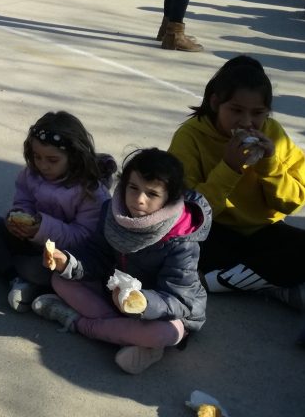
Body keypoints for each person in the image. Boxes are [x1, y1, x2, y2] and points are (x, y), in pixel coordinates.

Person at [168, 56, 305, 309]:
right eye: (236, 110)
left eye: (257, 113)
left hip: (262, 231)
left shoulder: (273, 134)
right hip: (213, 230)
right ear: (216, 103)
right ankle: (268, 279)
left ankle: (223, 281)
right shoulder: (190, 136)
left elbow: (293, 202)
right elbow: (186, 213)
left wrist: (270, 165)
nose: (246, 122)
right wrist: (229, 169)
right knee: (177, 246)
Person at [34, 149, 210, 375]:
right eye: (133, 188)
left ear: (170, 198)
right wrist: (68, 262)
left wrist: (142, 303)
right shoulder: (112, 212)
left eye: (152, 194)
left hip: (164, 313)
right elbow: (97, 255)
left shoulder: (181, 239)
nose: (139, 200)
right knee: (61, 279)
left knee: (164, 334)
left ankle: (78, 323)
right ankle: (131, 338)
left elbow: (179, 299)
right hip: (115, 297)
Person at [0, 111, 113, 313]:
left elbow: (83, 237)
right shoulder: (32, 174)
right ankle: (14, 276)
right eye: (37, 157)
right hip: (30, 240)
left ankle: (5, 264)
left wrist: (41, 229)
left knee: (37, 270)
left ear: (73, 157)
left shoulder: (91, 192)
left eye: (52, 160)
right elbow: (23, 201)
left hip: (60, 254)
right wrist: (16, 217)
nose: (43, 165)